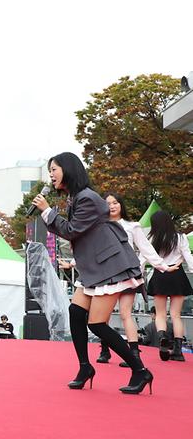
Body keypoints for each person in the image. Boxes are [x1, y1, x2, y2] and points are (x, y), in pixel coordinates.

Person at [33, 151, 151, 394]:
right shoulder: (77, 197)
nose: (51, 175)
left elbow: (71, 230)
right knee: (76, 312)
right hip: (95, 267)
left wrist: (46, 211)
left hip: (110, 266)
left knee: (97, 323)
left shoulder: (88, 198)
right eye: (50, 170)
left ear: (68, 170)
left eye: (54, 169)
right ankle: (85, 367)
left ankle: (140, 370)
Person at [93, 193, 173, 366]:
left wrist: (163, 266)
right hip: (107, 275)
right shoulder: (99, 226)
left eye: (115, 202)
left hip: (128, 274)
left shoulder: (132, 226)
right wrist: (74, 263)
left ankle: (134, 354)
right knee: (103, 317)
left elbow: (146, 249)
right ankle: (105, 350)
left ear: (121, 205)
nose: (112, 206)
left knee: (125, 314)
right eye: (108, 203)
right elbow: (92, 251)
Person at [145, 210, 193, 362]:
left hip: (160, 274)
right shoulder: (180, 237)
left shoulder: (151, 238)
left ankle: (162, 339)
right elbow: (189, 258)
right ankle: (178, 352)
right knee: (176, 315)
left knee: (160, 314)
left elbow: (145, 258)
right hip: (177, 275)